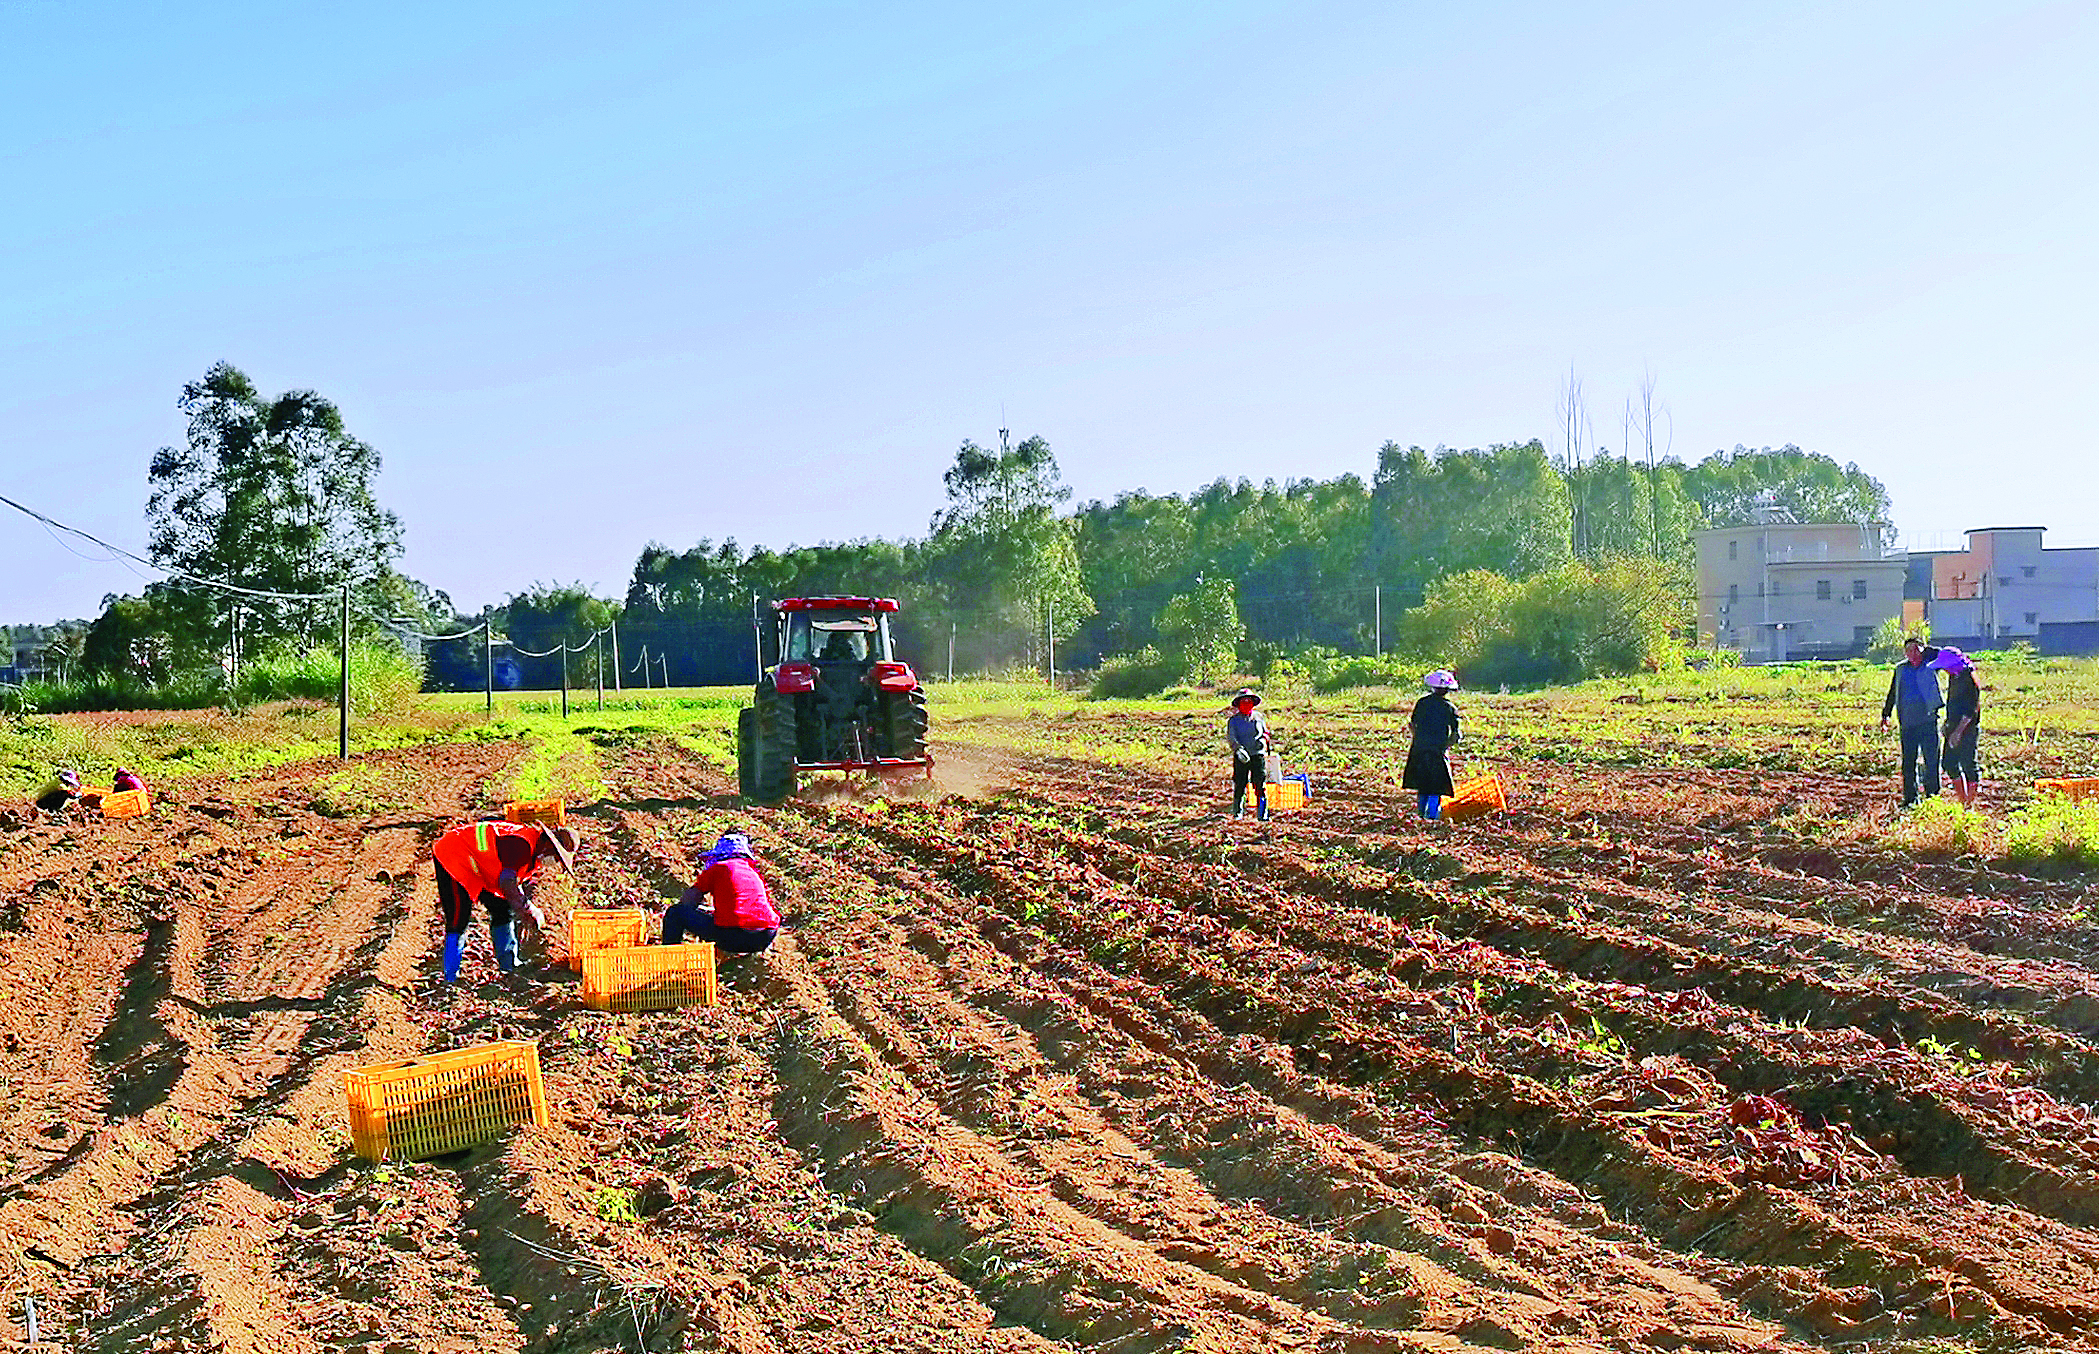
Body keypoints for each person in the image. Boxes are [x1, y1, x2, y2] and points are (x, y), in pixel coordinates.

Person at [429, 820, 577, 981]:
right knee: (458, 917)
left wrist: (524, 908)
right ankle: (451, 976)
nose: (555, 861)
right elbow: (507, 882)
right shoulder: (522, 845)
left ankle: (509, 965)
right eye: (556, 856)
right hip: (454, 854)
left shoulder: (533, 851)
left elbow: (512, 882)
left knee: (503, 909)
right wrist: (527, 908)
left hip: (481, 865)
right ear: (548, 843)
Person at [663, 833, 780, 953]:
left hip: (734, 934)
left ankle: (670, 957)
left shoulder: (719, 867)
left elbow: (689, 900)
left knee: (676, 913)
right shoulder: (752, 872)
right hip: (766, 935)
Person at [1879, 637, 1944, 807]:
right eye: (1908, 650)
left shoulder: (1931, 665)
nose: (1912, 654)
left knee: (1932, 761)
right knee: (1908, 763)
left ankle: (1932, 797)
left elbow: (1942, 654)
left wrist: (1925, 649)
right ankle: (1910, 798)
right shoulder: (1901, 669)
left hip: (1928, 721)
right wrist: (1886, 714)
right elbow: (1893, 692)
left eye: (1916, 650)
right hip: (1908, 724)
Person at [1403, 671, 1462, 820]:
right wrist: (1445, 747)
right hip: (1438, 751)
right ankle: (1432, 817)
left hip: (1419, 749)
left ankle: (1421, 815)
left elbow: (1412, 725)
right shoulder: (1449, 707)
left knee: (1423, 784)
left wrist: (1418, 740)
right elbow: (1456, 734)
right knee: (1437, 785)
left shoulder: (1422, 703)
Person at [1933, 647, 1983, 808]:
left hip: (1967, 728)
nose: (1944, 670)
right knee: (1949, 763)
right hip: (1953, 726)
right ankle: (1963, 801)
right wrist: (1948, 725)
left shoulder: (1969, 679)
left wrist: (1958, 732)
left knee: (1968, 764)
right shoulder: (1955, 677)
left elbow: (1971, 710)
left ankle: (1969, 804)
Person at [1225, 689, 1271, 821]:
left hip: (1257, 755)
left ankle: (1263, 814)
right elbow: (1231, 737)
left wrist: (1264, 740)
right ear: (1239, 704)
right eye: (1243, 702)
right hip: (1242, 756)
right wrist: (1238, 749)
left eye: (1249, 702)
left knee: (1260, 784)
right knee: (1240, 784)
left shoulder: (1259, 717)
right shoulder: (1233, 721)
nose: (1246, 704)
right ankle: (1238, 813)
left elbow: (1265, 732)